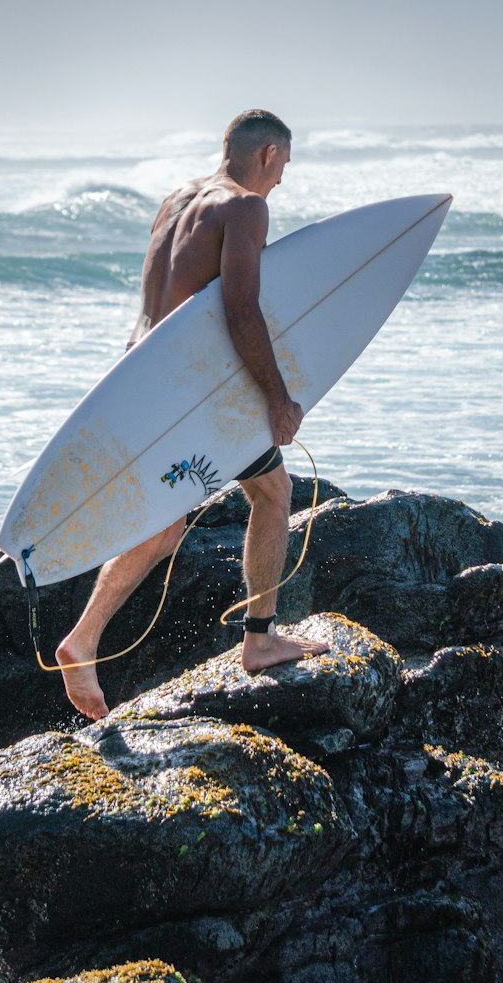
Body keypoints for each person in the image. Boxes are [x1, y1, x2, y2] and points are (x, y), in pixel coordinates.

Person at [56, 109, 330, 719]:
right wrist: (277, 397)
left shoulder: (176, 201)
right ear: (265, 155)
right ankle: (257, 640)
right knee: (272, 491)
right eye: (284, 165)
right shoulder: (245, 208)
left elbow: (162, 305)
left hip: (138, 377)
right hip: (187, 392)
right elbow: (240, 310)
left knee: (165, 524)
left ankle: (84, 639)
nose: (282, 180)